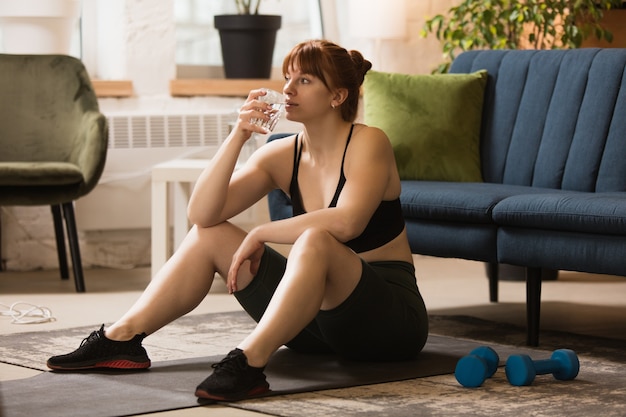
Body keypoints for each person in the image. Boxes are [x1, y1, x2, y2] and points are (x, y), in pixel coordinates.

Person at [47, 39, 429, 402]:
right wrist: (238, 135)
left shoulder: (368, 142)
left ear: (337, 96)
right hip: (314, 324)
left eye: (304, 80)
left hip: (387, 322)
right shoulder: (282, 153)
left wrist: (261, 231)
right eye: (288, 77)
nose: (288, 88)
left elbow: (347, 223)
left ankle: (249, 362)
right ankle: (122, 338)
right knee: (208, 235)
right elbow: (201, 215)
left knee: (315, 238)